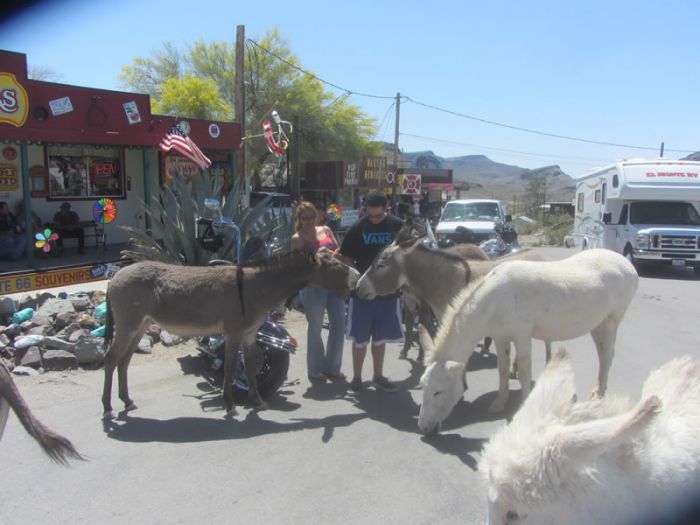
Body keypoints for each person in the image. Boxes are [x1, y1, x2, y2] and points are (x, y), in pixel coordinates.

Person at [338, 191, 404, 394]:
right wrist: (357, 277)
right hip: (362, 295)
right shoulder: (358, 228)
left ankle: (378, 376)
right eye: (370, 214)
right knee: (360, 339)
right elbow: (345, 255)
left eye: (378, 215)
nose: (373, 219)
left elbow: (408, 254)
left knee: (380, 338)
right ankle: (357, 378)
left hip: (388, 294)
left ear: (386, 209)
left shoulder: (397, 226)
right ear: (365, 210)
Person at [291, 201, 346, 383]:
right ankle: (316, 369)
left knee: (339, 325)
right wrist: (318, 255)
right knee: (315, 329)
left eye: (311, 216)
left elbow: (339, 251)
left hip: (333, 283)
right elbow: (300, 265)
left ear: (318, 215)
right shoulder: (297, 238)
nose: (309, 221)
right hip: (313, 287)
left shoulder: (326, 230)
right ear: (299, 219)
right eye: (304, 218)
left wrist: (331, 253)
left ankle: (333, 368)